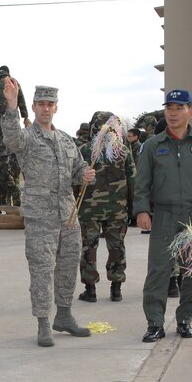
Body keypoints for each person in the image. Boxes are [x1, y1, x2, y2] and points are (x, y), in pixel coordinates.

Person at [0, 81, 95, 347]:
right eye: (41, 104)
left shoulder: (65, 139)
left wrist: (85, 174)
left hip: (68, 215)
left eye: (50, 104)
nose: (45, 108)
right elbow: (10, 137)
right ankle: (43, 322)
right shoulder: (27, 137)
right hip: (40, 216)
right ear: (33, 106)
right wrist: (11, 105)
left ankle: (64, 316)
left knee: (67, 267)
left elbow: (78, 169)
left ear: (56, 107)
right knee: (42, 270)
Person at [133, 89, 192, 343]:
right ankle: (155, 324)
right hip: (163, 214)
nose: (173, 113)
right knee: (158, 271)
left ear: (190, 112)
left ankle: (185, 320)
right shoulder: (152, 146)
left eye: (179, 108)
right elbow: (141, 182)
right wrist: (142, 210)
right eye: (169, 108)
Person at [76, 112, 135, 303]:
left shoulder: (84, 150)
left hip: (89, 209)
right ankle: (116, 288)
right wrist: (133, 208)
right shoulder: (123, 151)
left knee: (88, 247)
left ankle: (90, 289)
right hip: (117, 209)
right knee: (117, 246)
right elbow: (133, 180)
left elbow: (75, 180)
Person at [0, 65, 29, 214]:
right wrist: (25, 116)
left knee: (4, 139)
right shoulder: (11, 81)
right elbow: (20, 98)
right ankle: (9, 164)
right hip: (8, 112)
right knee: (10, 138)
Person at [125, 127, 143, 227]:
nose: (128, 138)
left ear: (136, 136)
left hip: (136, 175)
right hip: (130, 174)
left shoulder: (139, 147)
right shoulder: (129, 146)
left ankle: (134, 218)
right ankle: (130, 217)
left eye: (129, 136)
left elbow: (138, 162)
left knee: (133, 197)